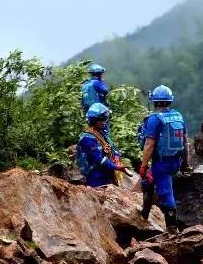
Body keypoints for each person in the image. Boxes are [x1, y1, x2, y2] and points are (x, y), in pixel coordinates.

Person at [138, 85, 187, 230]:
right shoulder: (178, 116)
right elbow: (185, 141)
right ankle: (144, 214)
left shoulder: (155, 119)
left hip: (162, 164)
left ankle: (172, 229)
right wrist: (185, 163)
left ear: (155, 101)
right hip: (176, 162)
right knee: (147, 181)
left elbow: (149, 145)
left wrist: (143, 165)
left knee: (166, 193)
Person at [77, 103, 126, 187]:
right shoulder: (87, 138)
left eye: (105, 119)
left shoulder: (103, 134)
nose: (104, 122)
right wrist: (116, 167)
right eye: (101, 120)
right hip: (96, 177)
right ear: (93, 120)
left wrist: (116, 157)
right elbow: (99, 160)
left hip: (107, 174)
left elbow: (114, 148)